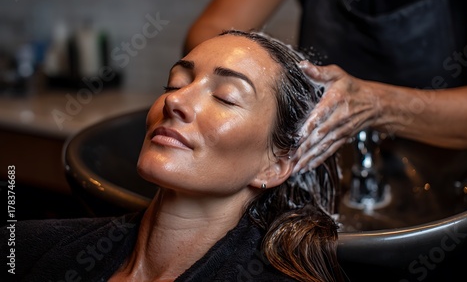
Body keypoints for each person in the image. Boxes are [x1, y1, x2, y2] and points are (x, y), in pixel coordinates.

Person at [2, 30, 345, 282]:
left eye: (226, 97)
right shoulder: (25, 248)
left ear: (275, 165)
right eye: (175, 84)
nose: (174, 101)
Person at [183, 0, 467, 174]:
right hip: (324, 166)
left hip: (447, 178)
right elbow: (206, 36)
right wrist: (280, 87)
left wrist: (377, 105)